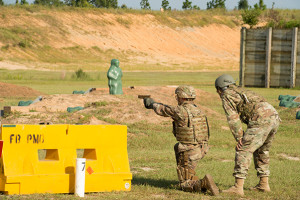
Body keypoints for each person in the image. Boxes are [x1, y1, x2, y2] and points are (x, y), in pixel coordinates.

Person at [143, 85, 219, 196]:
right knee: (185, 166)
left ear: (181, 97)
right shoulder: (198, 110)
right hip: (202, 148)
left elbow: (162, 110)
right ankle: (195, 180)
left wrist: (151, 104)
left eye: (177, 96)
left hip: (189, 151)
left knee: (184, 184)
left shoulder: (180, 111)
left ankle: (204, 183)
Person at [215, 74, 281, 196]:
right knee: (262, 150)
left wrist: (239, 138)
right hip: (274, 116)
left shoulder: (227, 94)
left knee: (243, 149)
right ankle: (263, 184)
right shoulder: (241, 90)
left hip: (261, 118)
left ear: (219, 88)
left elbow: (233, 118)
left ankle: (238, 188)